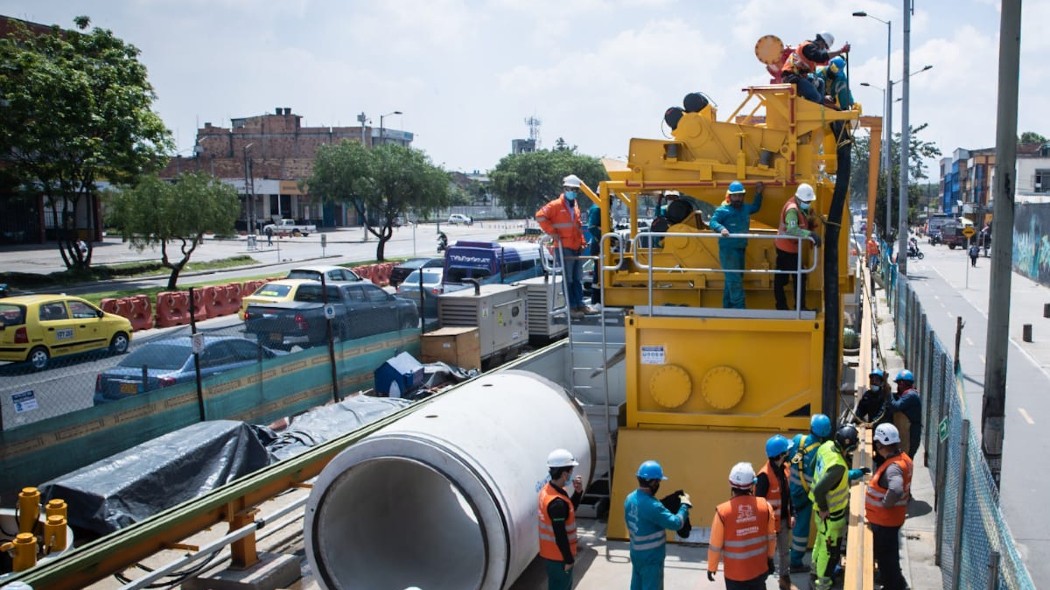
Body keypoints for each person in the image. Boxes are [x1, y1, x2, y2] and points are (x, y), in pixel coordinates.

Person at [809, 425, 869, 590]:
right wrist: (824, 507)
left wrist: (858, 473)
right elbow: (824, 486)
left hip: (818, 510)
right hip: (831, 514)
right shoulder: (839, 465)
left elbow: (818, 470)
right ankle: (823, 583)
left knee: (820, 542)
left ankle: (814, 573)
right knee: (830, 552)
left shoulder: (826, 447)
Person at [707, 462, 776, 589]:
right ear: (752, 484)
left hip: (734, 575)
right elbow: (771, 537)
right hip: (759, 570)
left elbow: (715, 545)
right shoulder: (765, 506)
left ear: (730, 484)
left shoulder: (723, 512)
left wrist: (712, 567)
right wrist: (770, 559)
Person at [624, 460, 691, 590]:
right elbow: (676, 523)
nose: (658, 485)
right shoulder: (653, 506)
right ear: (653, 482)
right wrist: (684, 506)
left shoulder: (629, 499)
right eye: (658, 482)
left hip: (636, 554)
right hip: (651, 559)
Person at [536, 174, 595, 318]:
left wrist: (581, 242)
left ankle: (580, 304)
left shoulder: (574, 206)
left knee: (577, 278)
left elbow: (577, 227)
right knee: (568, 278)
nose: (573, 192)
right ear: (565, 188)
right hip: (563, 246)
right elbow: (540, 216)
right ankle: (572, 307)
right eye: (571, 189)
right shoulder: (555, 205)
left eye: (575, 190)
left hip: (575, 246)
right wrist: (552, 232)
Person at [865, 424, 914, 590]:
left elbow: (896, 488)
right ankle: (899, 585)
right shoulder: (903, 459)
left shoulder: (893, 468)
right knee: (890, 558)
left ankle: (894, 586)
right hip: (892, 519)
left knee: (887, 562)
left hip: (885, 522)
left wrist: (886, 503)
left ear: (880, 445)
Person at [707, 181, 765, 309]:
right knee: (735, 282)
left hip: (740, 249)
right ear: (730, 197)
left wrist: (759, 193)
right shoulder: (723, 210)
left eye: (740, 196)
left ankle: (727, 309)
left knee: (733, 280)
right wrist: (721, 228)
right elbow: (713, 222)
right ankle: (740, 312)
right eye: (735, 196)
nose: (738, 198)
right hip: (728, 251)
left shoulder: (745, 208)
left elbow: (755, 207)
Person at [787, 413, 832, 573]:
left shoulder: (799, 439)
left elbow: (790, 458)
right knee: (801, 529)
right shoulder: (821, 451)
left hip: (790, 490)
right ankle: (795, 562)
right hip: (805, 496)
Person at [537, 448, 585, 590]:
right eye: (570, 472)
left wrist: (578, 493)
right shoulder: (556, 502)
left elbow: (569, 510)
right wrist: (568, 560)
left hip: (550, 554)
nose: (572, 475)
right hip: (559, 557)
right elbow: (560, 535)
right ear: (564, 474)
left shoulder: (548, 490)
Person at [774, 183, 821, 311]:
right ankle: (797, 307)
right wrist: (809, 234)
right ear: (799, 198)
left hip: (789, 247)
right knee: (798, 277)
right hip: (786, 248)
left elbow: (802, 221)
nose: (808, 203)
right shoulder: (792, 209)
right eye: (807, 201)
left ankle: (783, 305)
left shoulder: (799, 207)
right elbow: (792, 229)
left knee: (783, 277)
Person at [756, 436, 794, 590]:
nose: (788, 453)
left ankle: (784, 582)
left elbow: (787, 495)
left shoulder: (785, 469)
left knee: (785, 553)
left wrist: (792, 514)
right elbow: (758, 503)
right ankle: (760, 583)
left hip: (783, 521)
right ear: (780, 455)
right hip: (769, 525)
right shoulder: (764, 476)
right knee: (767, 556)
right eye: (786, 452)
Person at [780, 32, 851, 104]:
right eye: (825, 47)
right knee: (816, 97)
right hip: (791, 77)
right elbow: (821, 57)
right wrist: (841, 51)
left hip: (798, 77)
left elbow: (823, 59)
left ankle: (820, 105)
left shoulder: (812, 52)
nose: (824, 49)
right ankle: (812, 108)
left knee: (820, 82)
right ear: (821, 42)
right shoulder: (808, 47)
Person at [889, 370, 923, 458]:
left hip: (911, 433)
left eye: (898, 384)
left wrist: (889, 393)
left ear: (902, 384)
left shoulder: (911, 395)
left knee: (906, 457)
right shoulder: (909, 394)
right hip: (909, 431)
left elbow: (895, 406)